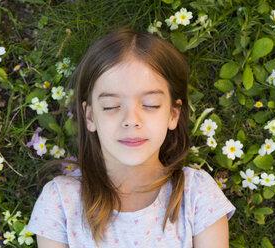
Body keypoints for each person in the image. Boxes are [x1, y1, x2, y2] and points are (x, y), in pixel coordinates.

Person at [26, 28, 236, 248]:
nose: (131, 120)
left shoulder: (196, 195)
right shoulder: (61, 201)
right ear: (90, 116)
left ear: (173, 114)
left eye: (150, 105)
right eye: (111, 106)